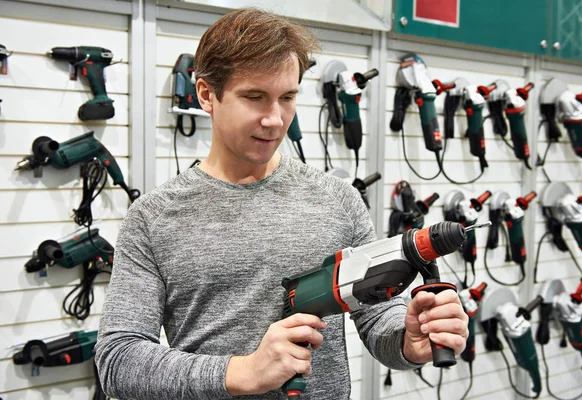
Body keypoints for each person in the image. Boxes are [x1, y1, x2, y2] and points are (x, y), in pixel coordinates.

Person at [95, 8, 468, 400]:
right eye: (254, 97)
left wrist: (408, 342)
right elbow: (119, 360)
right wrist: (240, 371)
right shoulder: (153, 218)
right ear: (206, 94)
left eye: (287, 97)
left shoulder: (338, 199)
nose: (275, 120)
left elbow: (376, 318)